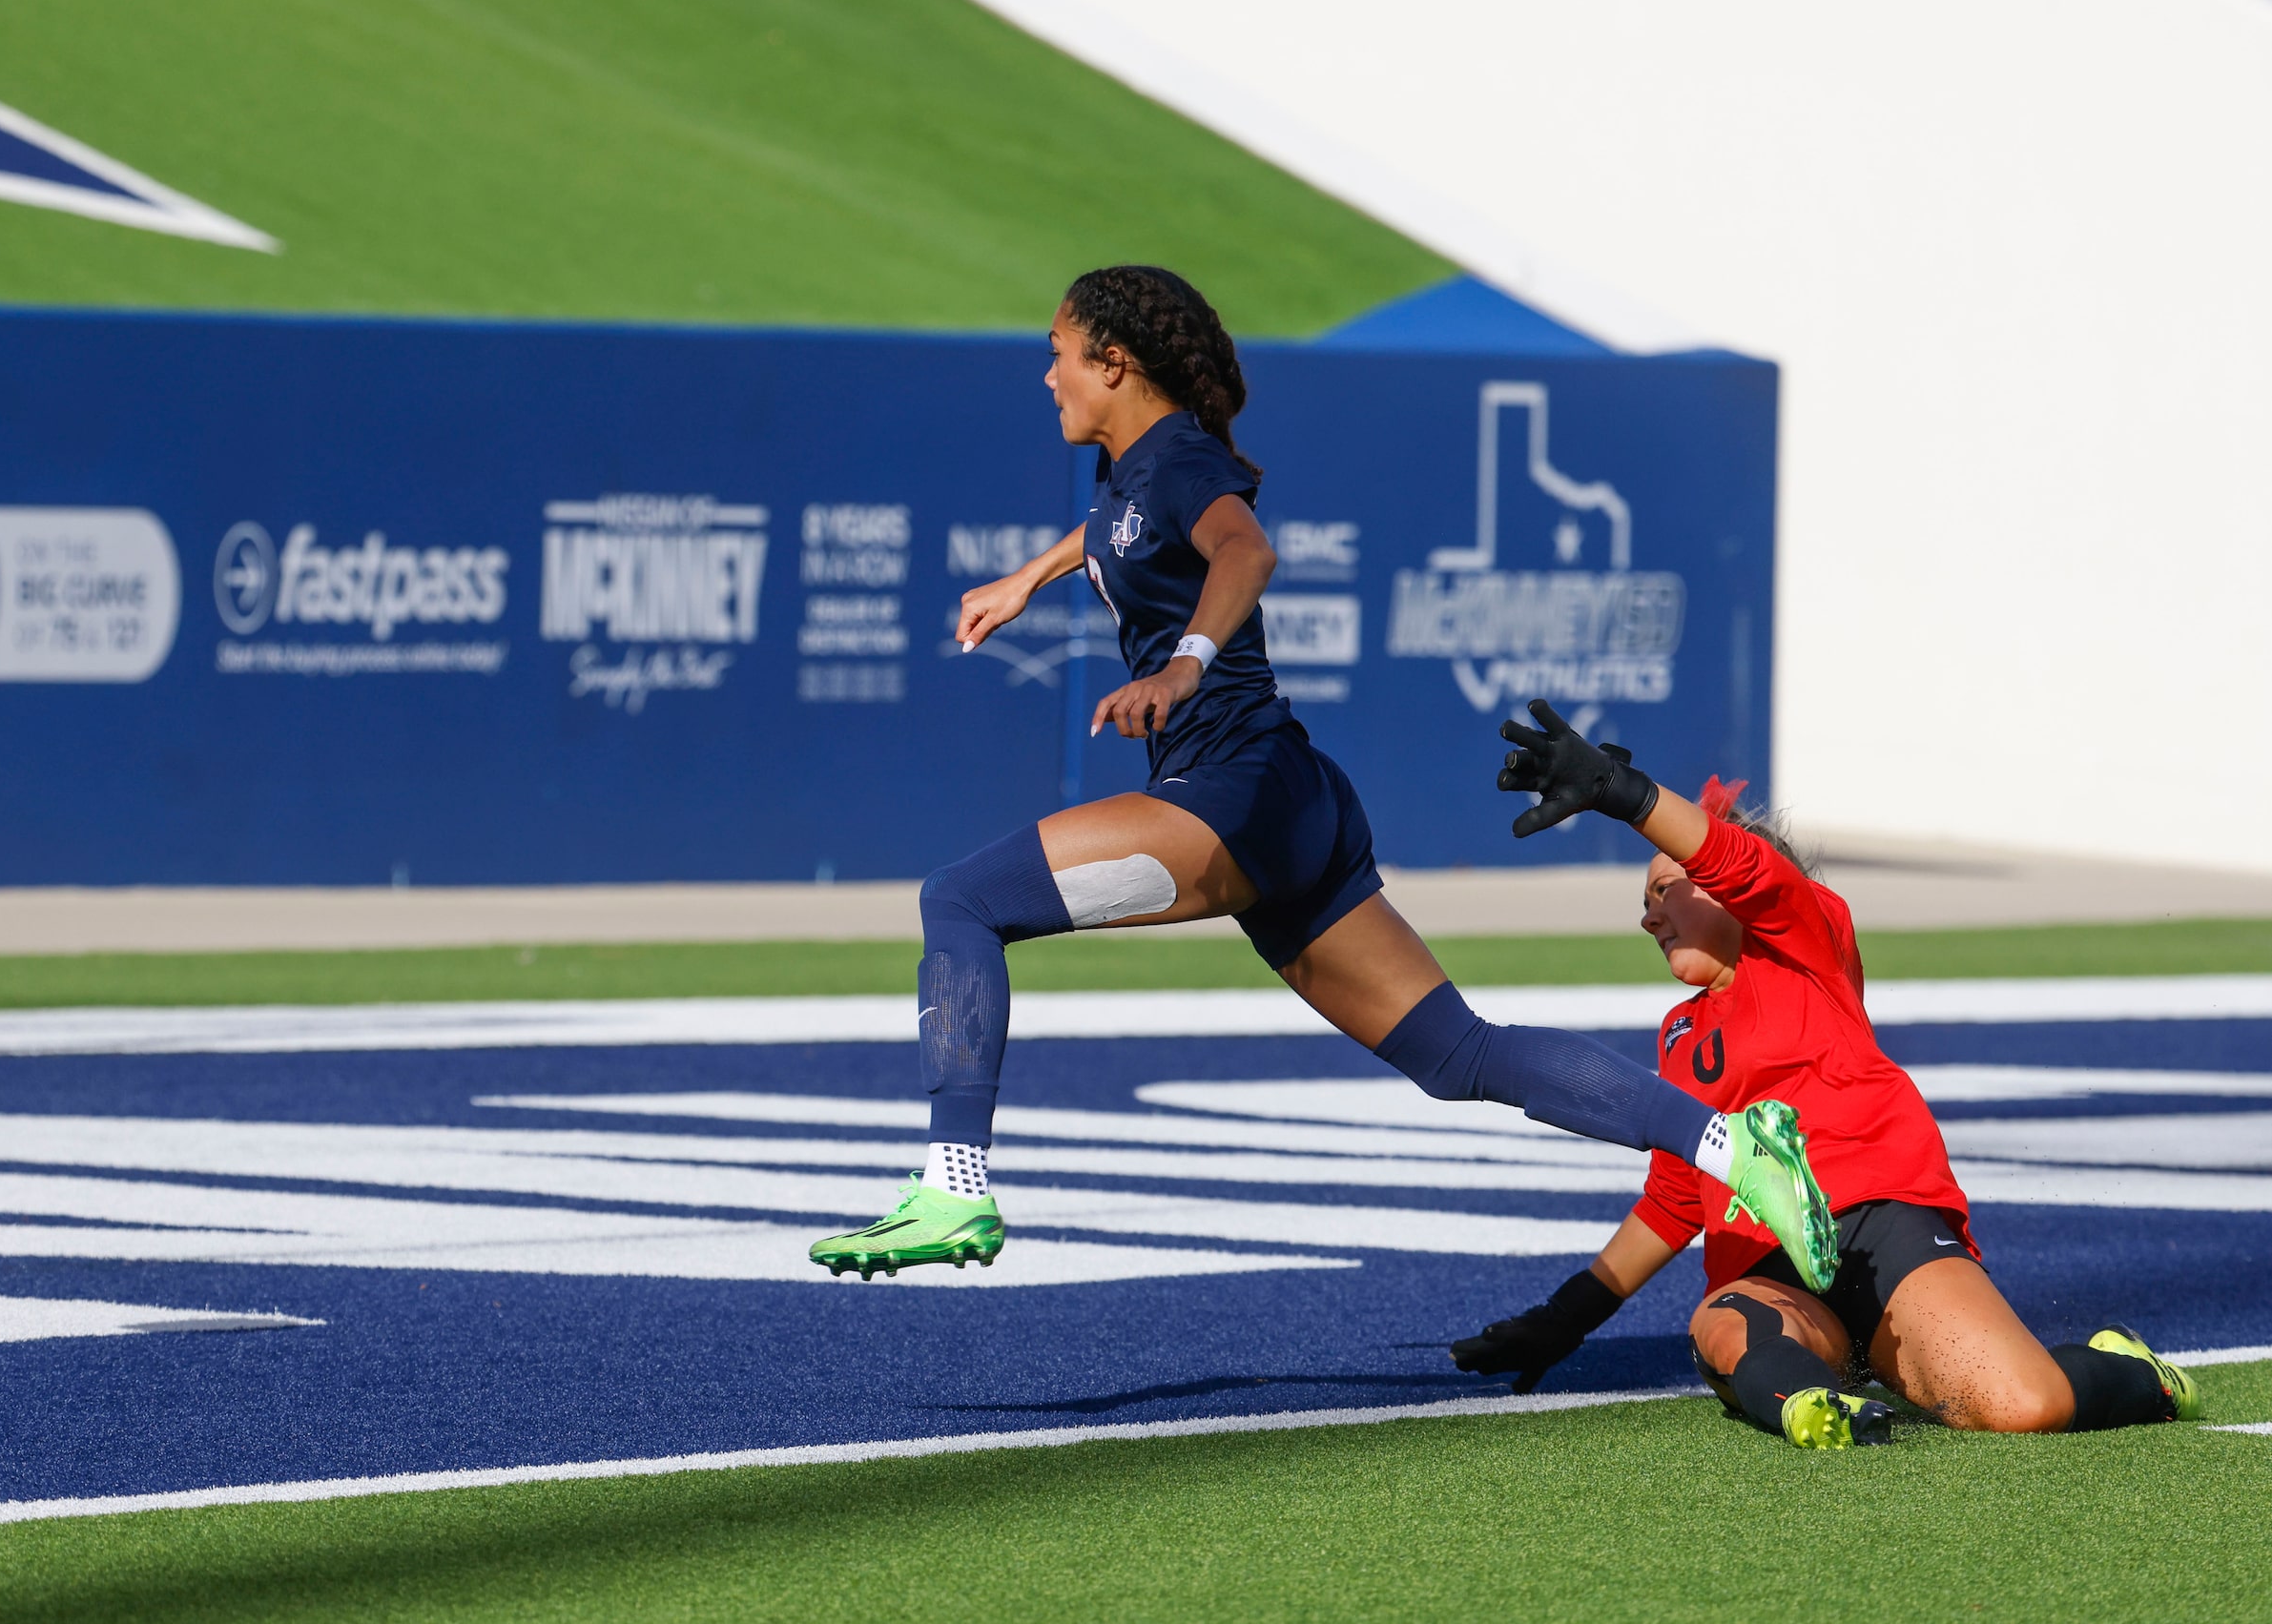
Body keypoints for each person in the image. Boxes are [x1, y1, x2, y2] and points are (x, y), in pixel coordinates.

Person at [807, 265, 1835, 1286]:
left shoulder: (1177, 463)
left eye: (1059, 355)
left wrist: (1183, 663)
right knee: (1456, 1055)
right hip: (1292, 801)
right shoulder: (1132, 468)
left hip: (1233, 790)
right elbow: (1122, 529)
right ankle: (1736, 1149)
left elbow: (1244, 554)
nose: (1048, 377)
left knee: (962, 900)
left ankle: (952, 1183)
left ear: (1113, 365)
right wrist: (1033, 573)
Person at [1450, 709, 2200, 1447]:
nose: (1648, 919)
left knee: (2018, 1406)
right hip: (1763, 1263)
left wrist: (1622, 791)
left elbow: (1747, 868)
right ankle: (1807, 1403)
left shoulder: (1809, 941)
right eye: (1642, 902)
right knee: (1722, 1322)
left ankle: (2137, 1376)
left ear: (1721, 885)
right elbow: (1677, 1197)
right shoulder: (1678, 1032)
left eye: (1663, 890)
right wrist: (1564, 1318)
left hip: (1879, 1230)